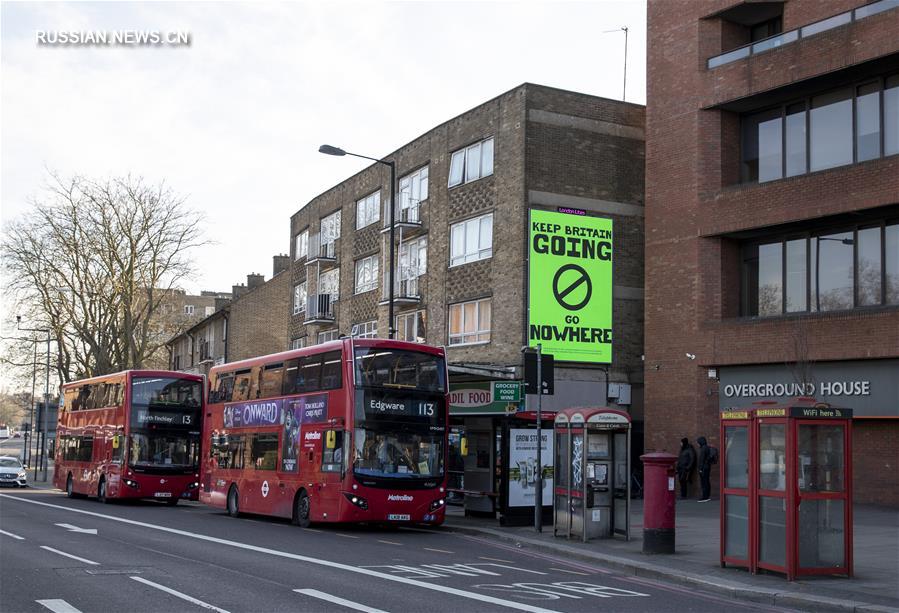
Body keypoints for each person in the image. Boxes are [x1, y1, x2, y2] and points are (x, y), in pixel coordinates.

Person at [697, 436, 712, 502]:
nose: (697, 444)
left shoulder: (703, 449)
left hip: (704, 468)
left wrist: (700, 469)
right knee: (707, 482)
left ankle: (705, 497)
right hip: (707, 467)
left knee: (704, 483)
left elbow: (702, 460)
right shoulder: (707, 448)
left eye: (698, 442)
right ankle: (707, 496)